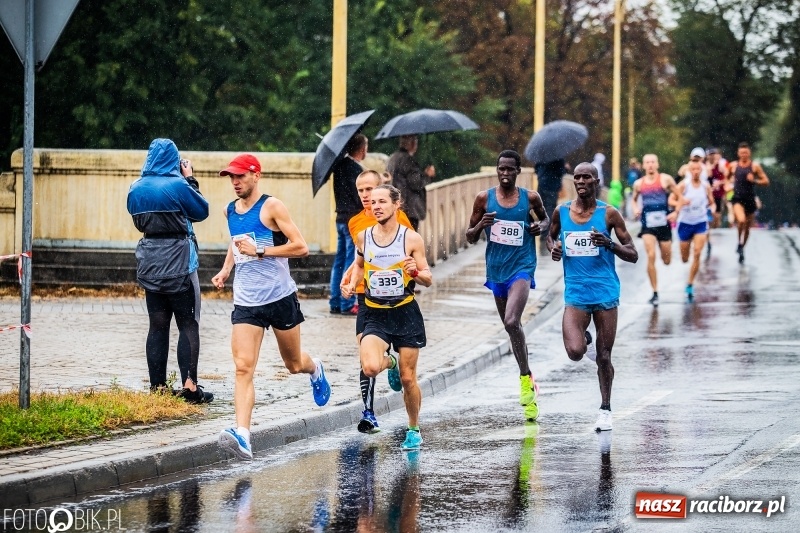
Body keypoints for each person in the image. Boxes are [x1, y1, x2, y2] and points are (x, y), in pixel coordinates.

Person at [212, 154, 331, 460]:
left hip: (279, 297)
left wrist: (262, 250)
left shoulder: (271, 206)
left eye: (240, 176)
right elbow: (236, 243)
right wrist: (226, 269)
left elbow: (301, 247)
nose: (235, 182)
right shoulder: (229, 210)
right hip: (246, 301)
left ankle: (314, 368)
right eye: (231, 177)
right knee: (242, 367)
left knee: (293, 364)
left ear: (256, 175)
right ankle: (243, 435)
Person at [341, 185, 433, 450]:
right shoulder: (363, 237)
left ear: (396, 204)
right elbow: (359, 265)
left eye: (382, 201)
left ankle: (413, 428)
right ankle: (389, 361)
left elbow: (428, 278)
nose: (376, 206)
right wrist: (351, 283)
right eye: (372, 202)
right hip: (375, 313)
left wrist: (415, 272)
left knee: (408, 379)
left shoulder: (411, 239)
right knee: (370, 367)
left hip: (405, 313)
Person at [548, 162, 638, 431]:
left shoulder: (609, 214)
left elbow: (632, 253)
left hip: (605, 292)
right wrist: (555, 249)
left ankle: (605, 409)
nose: (581, 181)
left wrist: (609, 243)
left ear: (597, 181)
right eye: (577, 177)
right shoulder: (561, 212)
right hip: (576, 292)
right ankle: (585, 341)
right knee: (575, 351)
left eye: (586, 177)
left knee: (605, 356)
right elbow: (550, 238)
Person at [126, 138, 213, 404]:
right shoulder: (178, 185)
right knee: (188, 323)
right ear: (174, 160)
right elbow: (202, 211)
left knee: (158, 325)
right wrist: (190, 180)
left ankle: (158, 388)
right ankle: (190, 387)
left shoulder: (136, 188)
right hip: (179, 263)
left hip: (150, 262)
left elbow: (136, 217)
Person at [466, 150, 549, 422]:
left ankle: (525, 377)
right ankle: (528, 377)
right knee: (510, 326)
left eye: (509, 169)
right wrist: (481, 224)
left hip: (522, 266)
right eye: (500, 169)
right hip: (497, 269)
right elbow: (469, 237)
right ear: (497, 170)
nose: (504, 174)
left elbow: (545, 220)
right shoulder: (484, 199)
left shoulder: (530, 198)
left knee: (513, 320)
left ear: (518, 172)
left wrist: (539, 227)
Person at [342, 170, 413, 433]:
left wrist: (413, 273)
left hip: (398, 299)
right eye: (360, 190)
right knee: (365, 354)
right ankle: (369, 412)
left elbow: (408, 250)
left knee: (398, 365)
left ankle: (392, 362)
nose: (365, 196)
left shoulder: (400, 217)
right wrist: (350, 276)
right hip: (367, 296)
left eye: (369, 190)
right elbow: (362, 255)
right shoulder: (355, 222)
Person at [631, 154, 683, 306]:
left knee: (666, 260)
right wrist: (635, 209)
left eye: (653, 162)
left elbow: (680, 197)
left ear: (657, 164)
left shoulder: (666, 179)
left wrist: (676, 212)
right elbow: (634, 200)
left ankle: (666, 253)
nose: (650, 165)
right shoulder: (638, 184)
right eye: (647, 162)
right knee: (651, 255)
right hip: (648, 225)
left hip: (664, 224)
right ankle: (654, 292)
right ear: (644, 165)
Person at [329, 134, 367, 316]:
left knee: (339, 261)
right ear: (362, 149)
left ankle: (335, 301)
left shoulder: (339, 166)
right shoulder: (355, 170)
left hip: (339, 218)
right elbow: (358, 197)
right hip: (352, 221)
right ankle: (347, 302)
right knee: (351, 261)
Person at [675, 159, 714, 301]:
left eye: (698, 169)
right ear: (689, 171)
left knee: (697, 253)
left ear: (701, 171)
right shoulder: (683, 186)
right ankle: (688, 269)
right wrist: (681, 202)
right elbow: (671, 201)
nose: (696, 172)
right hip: (685, 223)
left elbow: (711, 200)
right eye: (693, 169)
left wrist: (709, 204)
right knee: (685, 258)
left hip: (700, 222)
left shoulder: (705, 186)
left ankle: (690, 283)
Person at [726, 142, 770, 263]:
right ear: (738, 153)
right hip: (737, 198)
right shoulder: (733, 166)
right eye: (741, 153)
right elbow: (726, 177)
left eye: (746, 152)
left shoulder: (755, 166)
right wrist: (727, 186)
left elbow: (766, 181)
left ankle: (741, 247)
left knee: (748, 228)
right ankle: (739, 241)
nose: (744, 155)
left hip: (750, 199)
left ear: (749, 153)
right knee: (741, 220)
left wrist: (754, 180)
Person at [386, 135, 435, 231]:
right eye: (415, 142)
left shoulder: (392, 158)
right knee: (409, 239)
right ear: (412, 144)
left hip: (395, 206)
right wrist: (428, 175)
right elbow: (416, 183)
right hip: (409, 208)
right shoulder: (408, 159)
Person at [533, 158, 565, 255]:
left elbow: (536, 170)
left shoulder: (540, 156)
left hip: (541, 185)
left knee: (542, 209)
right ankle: (549, 234)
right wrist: (565, 169)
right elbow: (560, 172)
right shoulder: (558, 157)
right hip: (552, 186)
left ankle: (543, 232)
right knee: (551, 210)